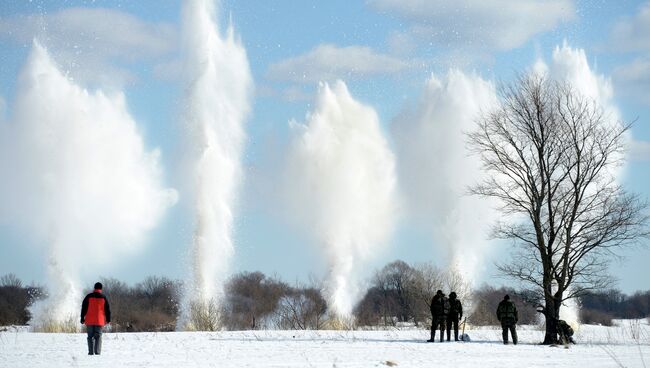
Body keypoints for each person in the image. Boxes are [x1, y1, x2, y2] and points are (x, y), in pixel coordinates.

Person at [81, 282, 111, 355]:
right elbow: (107, 309)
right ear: (101, 289)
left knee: (90, 336)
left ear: (94, 288)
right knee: (98, 336)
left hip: (89, 320)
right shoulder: (103, 297)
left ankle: (91, 353)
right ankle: (97, 353)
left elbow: (83, 308)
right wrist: (108, 319)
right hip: (99, 320)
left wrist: (82, 318)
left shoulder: (88, 296)